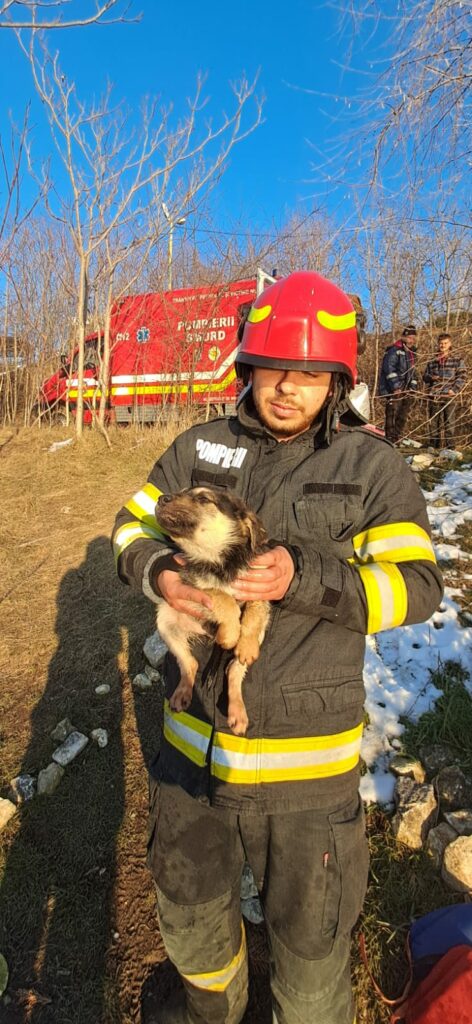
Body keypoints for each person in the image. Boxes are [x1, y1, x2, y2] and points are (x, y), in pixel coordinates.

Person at [112, 272, 443, 1024]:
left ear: (339, 381)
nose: (289, 388)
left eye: (312, 374)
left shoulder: (373, 468)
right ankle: (209, 1009)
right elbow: (129, 526)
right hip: (190, 757)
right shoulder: (199, 447)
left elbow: (417, 587)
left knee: (310, 951)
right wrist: (158, 570)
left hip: (308, 776)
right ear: (247, 368)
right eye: (275, 368)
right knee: (194, 921)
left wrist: (307, 575)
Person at [423, 333, 466, 450]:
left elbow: (462, 376)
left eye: (445, 343)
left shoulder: (457, 359)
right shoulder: (432, 360)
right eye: (441, 343)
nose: (443, 345)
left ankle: (450, 447)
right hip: (435, 395)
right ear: (438, 344)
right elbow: (425, 376)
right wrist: (431, 377)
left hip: (449, 394)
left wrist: (454, 389)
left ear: (450, 344)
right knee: (433, 423)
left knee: (449, 422)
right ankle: (433, 446)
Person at [378, 325, 419, 443]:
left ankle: (396, 437)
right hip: (394, 389)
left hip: (407, 390)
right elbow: (389, 369)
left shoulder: (412, 353)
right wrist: (396, 387)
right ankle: (389, 438)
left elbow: (413, 373)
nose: (411, 340)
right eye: (409, 337)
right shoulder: (394, 350)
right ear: (403, 337)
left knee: (403, 414)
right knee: (392, 413)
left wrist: (413, 387)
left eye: (413, 338)